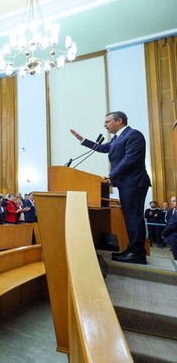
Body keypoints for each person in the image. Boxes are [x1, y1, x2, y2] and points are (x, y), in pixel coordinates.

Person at [71, 111, 151, 264]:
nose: (104, 125)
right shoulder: (116, 139)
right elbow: (101, 148)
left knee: (133, 218)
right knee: (130, 218)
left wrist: (112, 175)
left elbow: (130, 158)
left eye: (107, 122)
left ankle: (137, 253)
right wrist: (82, 140)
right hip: (126, 183)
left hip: (133, 182)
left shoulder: (133, 135)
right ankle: (134, 250)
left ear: (119, 121)